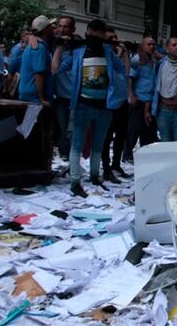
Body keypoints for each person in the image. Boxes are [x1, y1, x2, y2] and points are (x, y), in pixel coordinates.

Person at [55, 19, 129, 197]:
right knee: (77, 145)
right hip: (82, 106)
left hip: (104, 107)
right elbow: (56, 68)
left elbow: (124, 71)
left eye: (99, 32)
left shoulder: (108, 53)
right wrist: (59, 47)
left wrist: (124, 52)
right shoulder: (78, 51)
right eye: (93, 31)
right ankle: (75, 181)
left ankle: (95, 177)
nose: (96, 35)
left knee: (98, 145)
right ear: (88, 31)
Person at [100, 27, 130, 182]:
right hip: (109, 103)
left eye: (115, 37)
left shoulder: (116, 55)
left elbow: (126, 71)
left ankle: (116, 163)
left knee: (121, 136)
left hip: (122, 101)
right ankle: (106, 169)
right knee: (107, 138)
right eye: (110, 38)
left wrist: (124, 53)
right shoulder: (104, 54)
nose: (114, 40)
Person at [125, 36, 159, 159]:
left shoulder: (153, 61)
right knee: (133, 130)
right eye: (149, 44)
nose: (152, 47)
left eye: (153, 44)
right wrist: (131, 95)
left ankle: (145, 156)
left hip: (150, 101)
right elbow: (130, 78)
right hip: (138, 100)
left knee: (148, 131)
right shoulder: (137, 59)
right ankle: (127, 155)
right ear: (143, 45)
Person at [51, 16, 78, 160]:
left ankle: (71, 157)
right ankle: (64, 154)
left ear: (72, 29)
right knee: (61, 128)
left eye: (65, 26)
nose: (62, 29)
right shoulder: (52, 43)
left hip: (73, 95)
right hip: (58, 95)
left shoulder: (78, 47)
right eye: (59, 26)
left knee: (70, 130)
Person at [18, 15, 54, 105]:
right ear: (46, 29)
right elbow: (39, 74)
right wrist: (42, 99)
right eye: (50, 26)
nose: (53, 28)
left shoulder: (33, 45)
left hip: (29, 94)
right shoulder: (39, 48)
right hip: (34, 97)